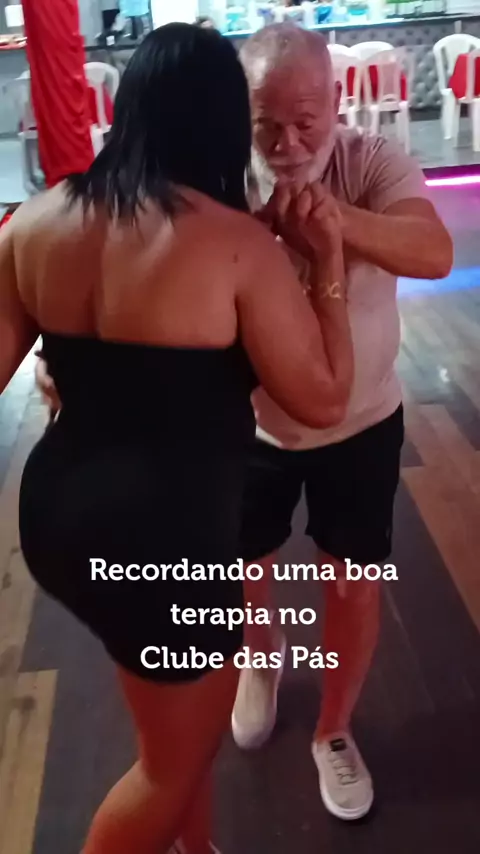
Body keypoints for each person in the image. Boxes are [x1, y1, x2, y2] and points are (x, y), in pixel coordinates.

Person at [0, 23, 353, 854]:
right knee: (170, 765)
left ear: (128, 111)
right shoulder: (236, 246)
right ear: (224, 123)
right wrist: (328, 264)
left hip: (56, 520)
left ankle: (197, 848)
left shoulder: (33, 222)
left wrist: (80, 366)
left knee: (168, 728)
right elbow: (325, 400)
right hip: (163, 540)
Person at [231, 23, 453, 822]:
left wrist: (332, 221)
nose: (288, 145)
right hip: (247, 425)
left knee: (353, 583)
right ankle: (261, 655)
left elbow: (433, 252)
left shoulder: (371, 160)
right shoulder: (216, 174)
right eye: (266, 125)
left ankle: (334, 728)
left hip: (363, 421)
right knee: (244, 562)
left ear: (336, 103)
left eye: (306, 121)